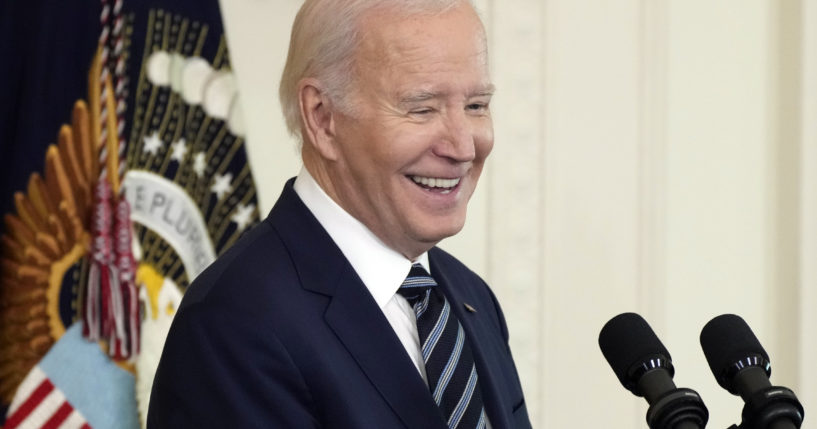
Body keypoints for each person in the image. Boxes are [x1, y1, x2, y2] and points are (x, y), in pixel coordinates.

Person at [147, 0, 531, 427]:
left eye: (476, 105)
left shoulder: (469, 297)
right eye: (422, 109)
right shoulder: (233, 325)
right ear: (322, 118)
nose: (463, 147)